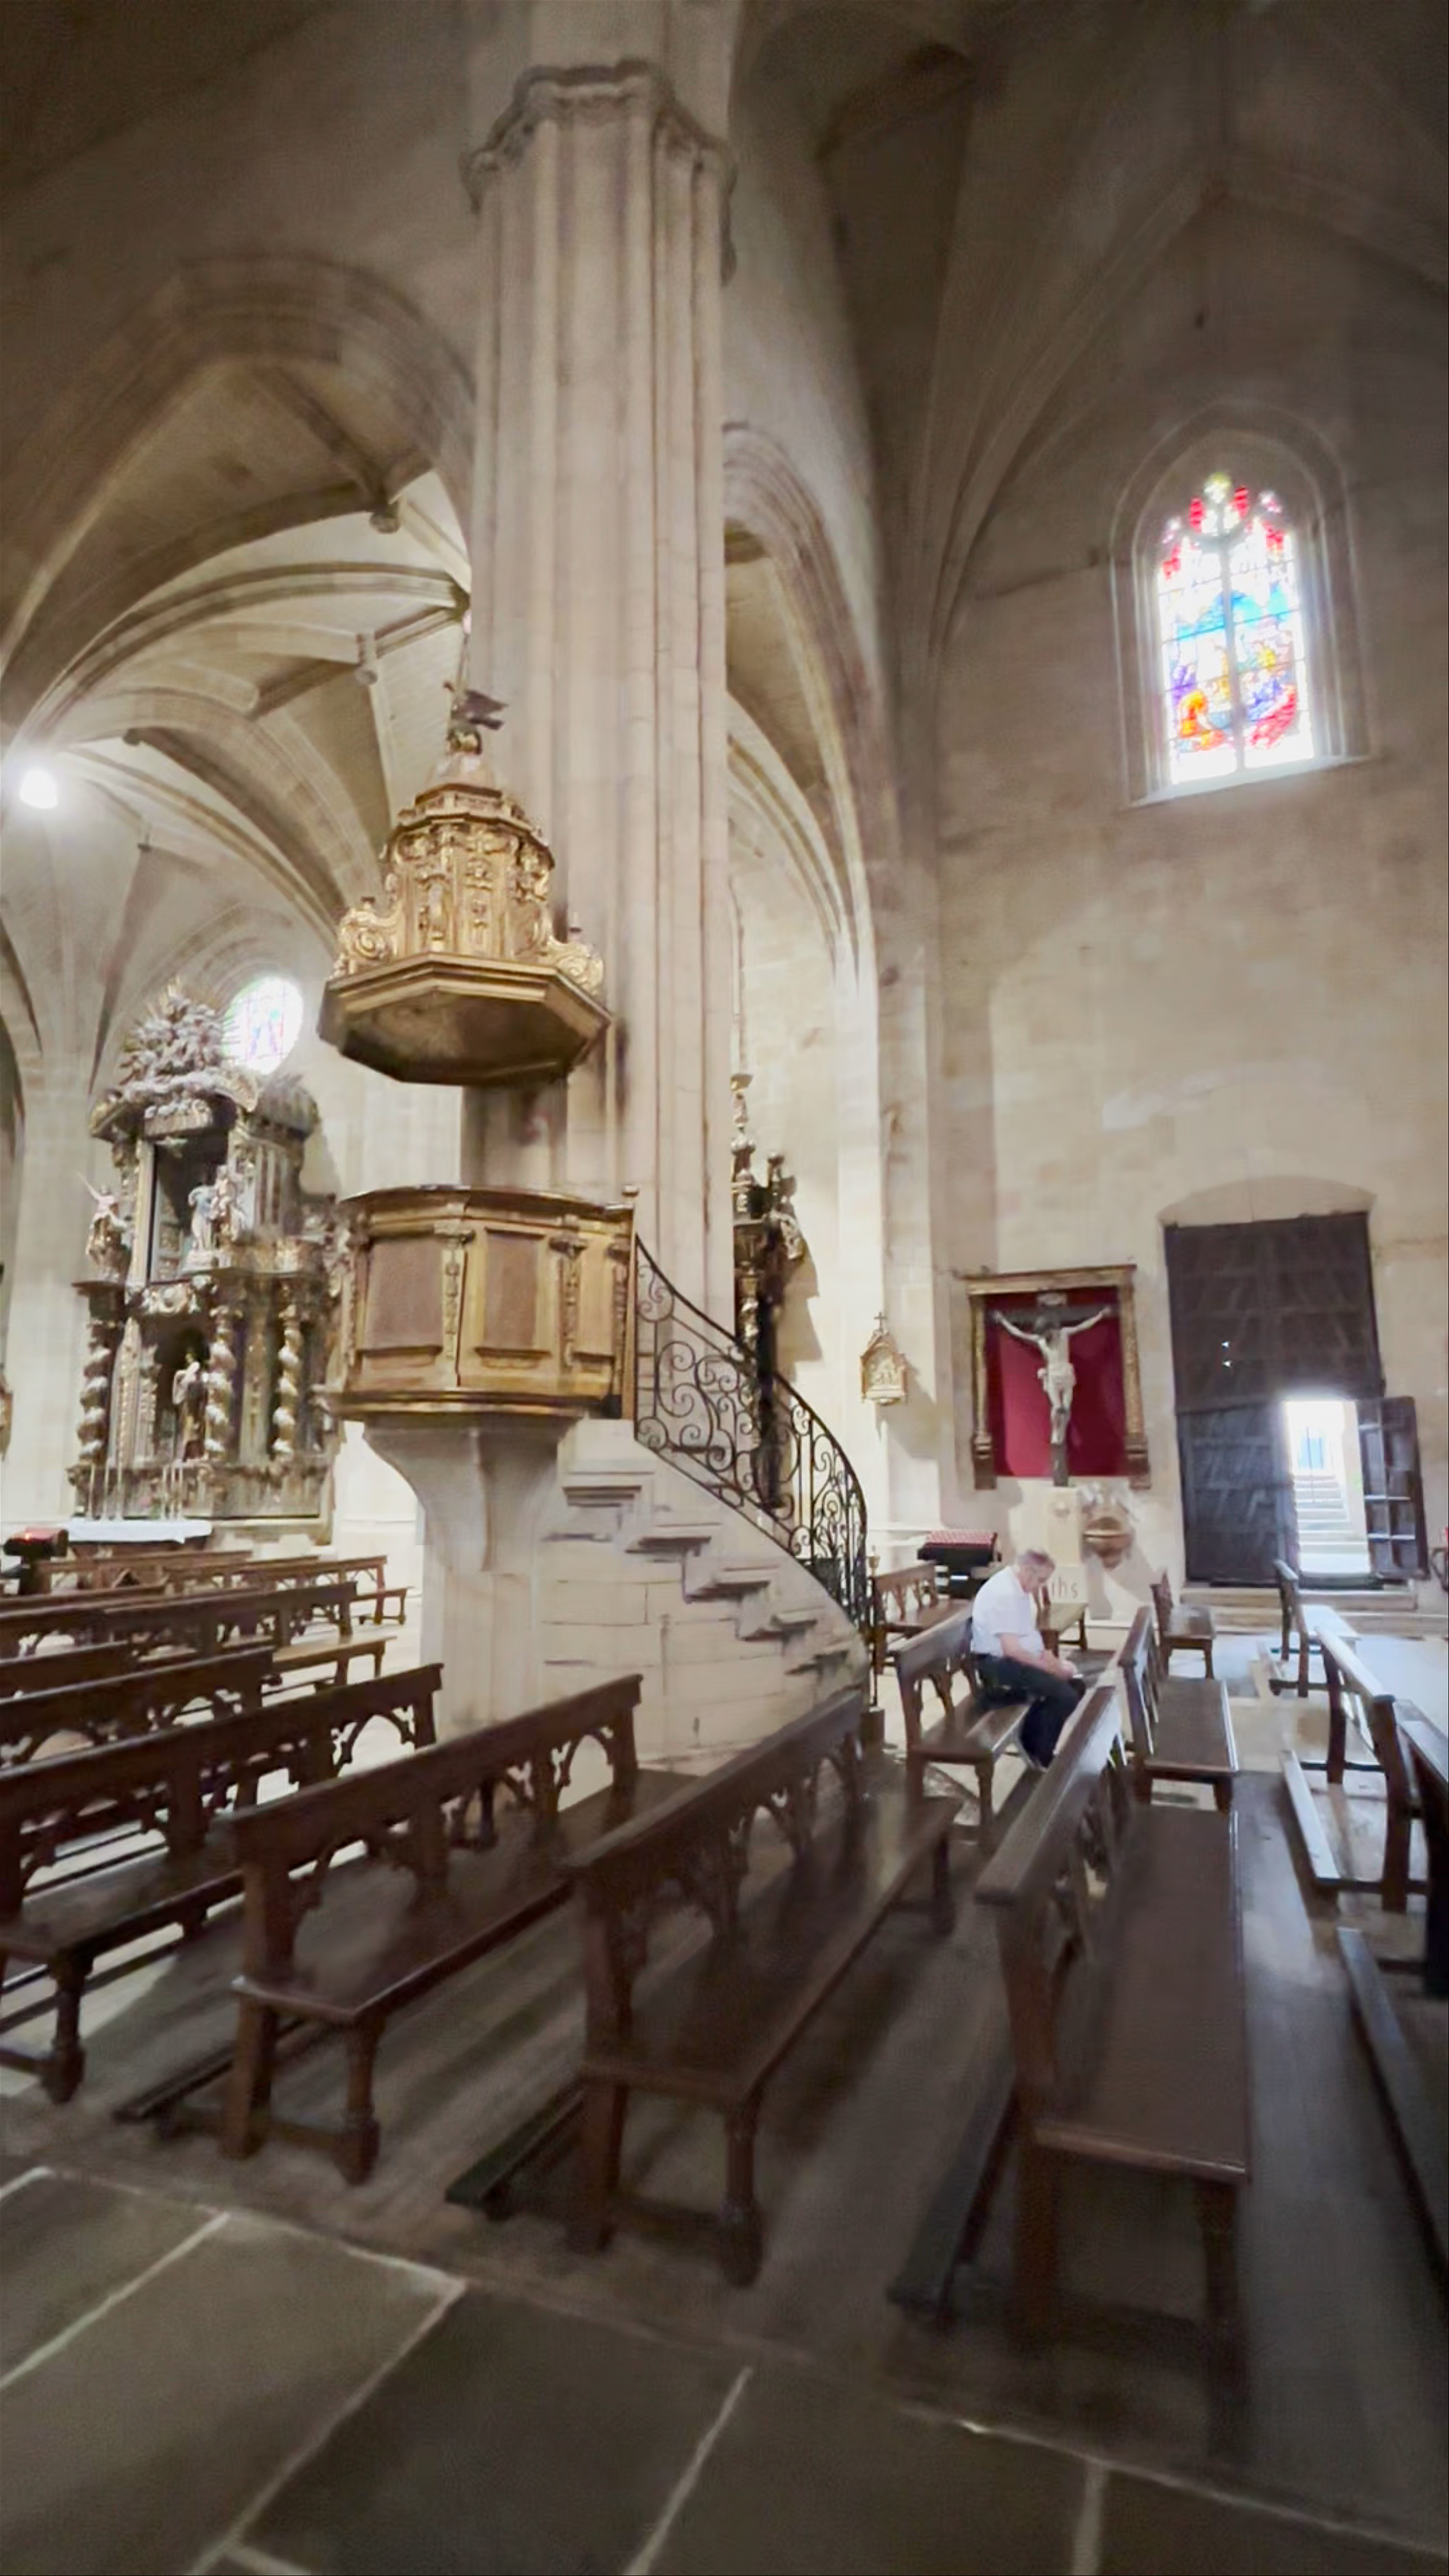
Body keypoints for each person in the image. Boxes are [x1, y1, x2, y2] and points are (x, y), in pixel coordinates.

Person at [970, 1547, 1084, 1768]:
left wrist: (1049, 1658)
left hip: (1011, 1661)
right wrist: (1050, 1668)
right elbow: (1012, 1649)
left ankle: (1034, 1743)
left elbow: (1027, 1636)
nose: (1041, 1586)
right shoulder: (1006, 1593)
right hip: (997, 1669)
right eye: (1041, 1580)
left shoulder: (1018, 1588)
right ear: (1027, 1570)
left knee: (1076, 1686)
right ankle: (1041, 1752)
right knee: (1065, 1696)